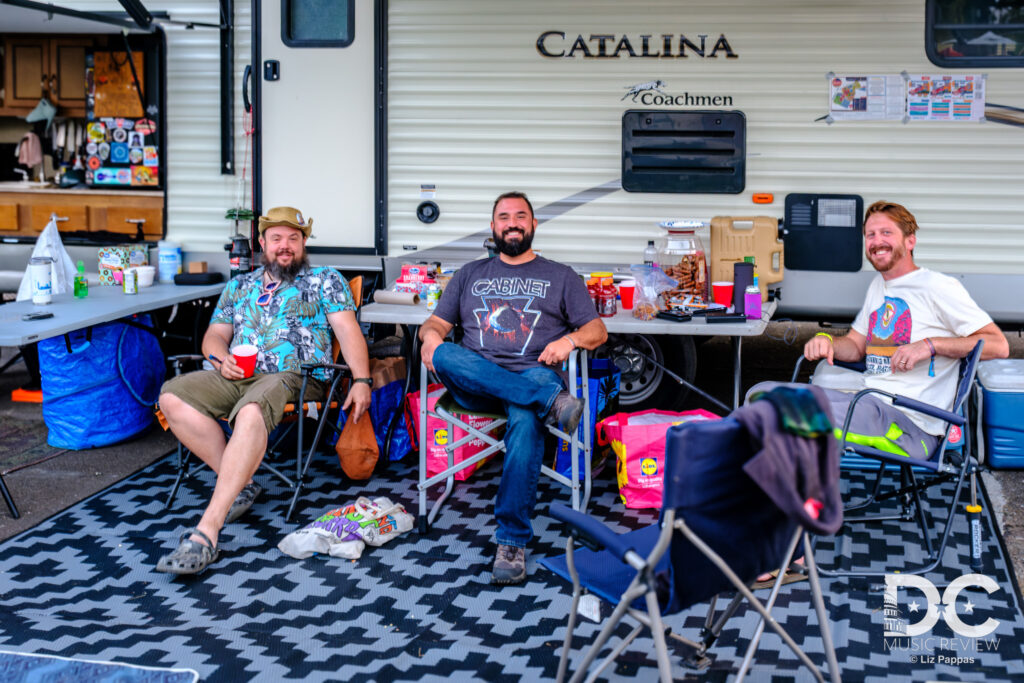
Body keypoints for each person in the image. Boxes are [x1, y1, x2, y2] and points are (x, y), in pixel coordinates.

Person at [156, 206, 372, 575]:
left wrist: (362, 380)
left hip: (297, 376)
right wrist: (220, 359)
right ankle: (241, 483)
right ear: (262, 243)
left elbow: (348, 332)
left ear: (303, 243)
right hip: (238, 376)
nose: (285, 245)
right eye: (277, 238)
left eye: (293, 238)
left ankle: (206, 532)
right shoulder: (239, 285)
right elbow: (214, 336)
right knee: (171, 396)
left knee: (252, 408)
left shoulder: (325, 279)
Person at [419, 191, 608, 585]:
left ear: (534, 224)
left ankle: (511, 542)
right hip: (477, 381)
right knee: (446, 353)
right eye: (504, 217)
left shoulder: (561, 276)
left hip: (535, 372)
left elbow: (597, 330)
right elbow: (435, 324)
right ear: (493, 227)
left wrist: (569, 340)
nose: (512, 224)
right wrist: (431, 339)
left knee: (524, 420)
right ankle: (550, 402)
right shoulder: (469, 274)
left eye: (521, 216)